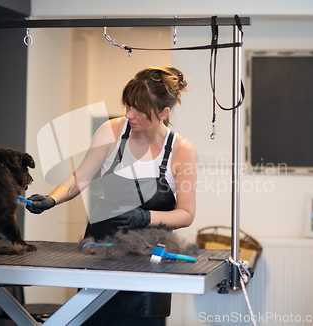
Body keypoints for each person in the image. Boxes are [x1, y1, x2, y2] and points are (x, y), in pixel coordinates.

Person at [27, 67, 197, 326]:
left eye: (138, 109)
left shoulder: (181, 151)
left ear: (163, 113)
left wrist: (144, 216)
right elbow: (79, 178)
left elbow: (185, 214)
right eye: (127, 106)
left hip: (148, 264)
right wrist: (52, 199)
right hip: (100, 254)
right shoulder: (112, 131)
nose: (129, 114)